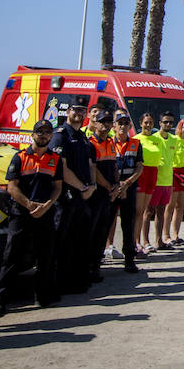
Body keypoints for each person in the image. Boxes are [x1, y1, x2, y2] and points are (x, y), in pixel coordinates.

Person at [0, 118, 64, 318]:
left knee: (45, 257)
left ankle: (42, 296)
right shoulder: (19, 157)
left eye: (47, 132)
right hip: (21, 213)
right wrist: (29, 205)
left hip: (45, 213)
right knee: (11, 256)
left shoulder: (54, 159)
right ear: (33, 134)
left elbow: (57, 187)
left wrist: (47, 205)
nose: (44, 135)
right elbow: (11, 187)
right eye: (40, 132)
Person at [51, 102, 98, 294]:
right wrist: (82, 187)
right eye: (75, 110)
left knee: (79, 240)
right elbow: (60, 167)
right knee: (61, 241)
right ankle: (57, 283)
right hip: (66, 196)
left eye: (82, 111)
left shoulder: (82, 137)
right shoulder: (60, 135)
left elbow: (90, 164)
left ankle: (75, 280)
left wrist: (92, 186)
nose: (79, 114)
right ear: (68, 112)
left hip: (83, 195)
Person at [85, 111, 117, 284]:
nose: (105, 124)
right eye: (102, 122)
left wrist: (117, 185)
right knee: (92, 231)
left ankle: (96, 267)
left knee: (102, 231)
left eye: (108, 122)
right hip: (97, 194)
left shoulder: (111, 143)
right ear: (95, 124)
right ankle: (87, 268)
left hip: (109, 194)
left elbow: (114, 166)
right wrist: (108, 186)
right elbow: (93, 170)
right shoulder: (89, 144)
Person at [109, 114, 142, 272]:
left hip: (128, 189)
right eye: (119, 123)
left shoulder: (136, 143)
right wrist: (116, 187)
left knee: (128, 225)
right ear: (114, 126)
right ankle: (96, 261)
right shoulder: (108, 143)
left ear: (130, 126)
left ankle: (129, 259)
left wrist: (126, 184)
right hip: (111, 189)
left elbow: (139, 167)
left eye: (126, 123)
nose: (122, 126)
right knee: (105, 224)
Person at [135, 113, 171, 252]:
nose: (148, 125)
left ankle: (156, 240)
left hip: (154, 175)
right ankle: (141, 241)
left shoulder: (157, 139)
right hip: (141, 173)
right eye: (146, 123)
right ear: (140, 124)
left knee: (152, 210)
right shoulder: (136, 139)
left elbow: (163, 157)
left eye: (150, 123)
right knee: (142, 211)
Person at [165, 117, 184, 246]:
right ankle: (166, 235)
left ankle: (176, 234)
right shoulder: (173, 140)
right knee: (170, 205)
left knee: (180, 206)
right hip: (174, 174)